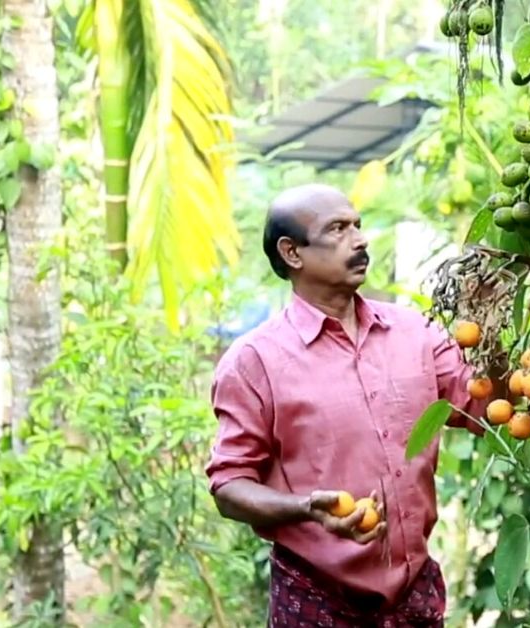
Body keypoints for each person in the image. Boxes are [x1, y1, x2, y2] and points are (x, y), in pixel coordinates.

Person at [205, 183, 496, 627]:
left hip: (413, 596)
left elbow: (485, 409)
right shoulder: (254, 362)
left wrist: (500, 325)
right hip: (316, 598)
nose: (359, 240)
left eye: (358, 226)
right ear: (292, 253)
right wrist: (306, 508)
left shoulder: (415, 332)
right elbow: (229, 486)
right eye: (338, 229)